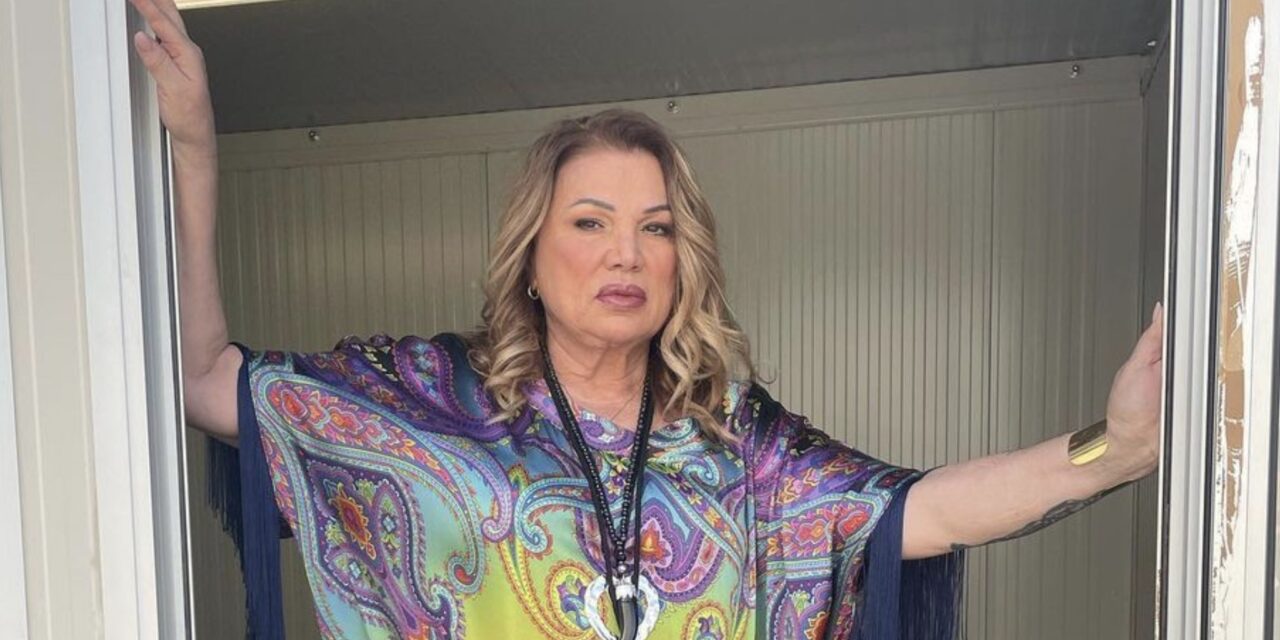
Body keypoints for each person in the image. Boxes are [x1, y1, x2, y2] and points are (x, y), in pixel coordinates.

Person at [130, 0, 1165, 638]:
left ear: (682, 261)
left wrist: (1110, 450)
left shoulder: (734, 443)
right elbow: (207, 380)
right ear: (531, 256)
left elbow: (918, 510)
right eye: (590, 222)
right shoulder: (429, 400)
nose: (625, 252)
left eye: (656, 228)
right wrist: (195, 150)